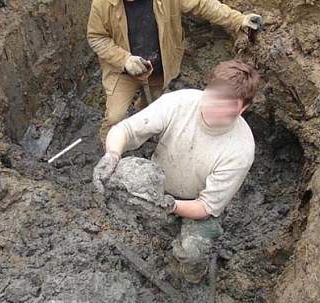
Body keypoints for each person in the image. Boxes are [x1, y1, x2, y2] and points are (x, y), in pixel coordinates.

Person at [93, 59, 260, 283]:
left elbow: (206, 207)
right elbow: (124, 130)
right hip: (156, 183)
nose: (215, 109)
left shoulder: (240, 149)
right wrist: (112, 155)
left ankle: (192, 276)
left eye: (227, 105)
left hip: (196, 202)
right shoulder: (180, 103)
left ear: (243, 108)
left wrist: (168, 205)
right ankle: (137, 231)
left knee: (192, 250)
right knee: (124, 175)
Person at [87, 0, 263, 145]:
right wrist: (124, 60)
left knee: (154, 106)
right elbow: (96, 37)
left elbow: (202, 5)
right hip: (123, 70)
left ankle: (143, 125)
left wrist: (238, 20)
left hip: (160, 64)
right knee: (115, 116)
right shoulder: (103, 4)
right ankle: (109, 150)